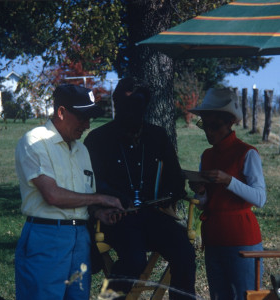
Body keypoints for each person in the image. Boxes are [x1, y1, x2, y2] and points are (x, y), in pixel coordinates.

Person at [84, 78, 196, 300]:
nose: (132, 114)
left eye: (137, 107)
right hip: (117, 218)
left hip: (153, 216)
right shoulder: (97, 139)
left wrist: (168, 196)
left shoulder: (157, 136)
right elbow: (91, 186)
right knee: (134, 260)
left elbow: (175, 179)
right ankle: (110, 298)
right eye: (126, 107)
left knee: (184, 253)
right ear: (117, 105)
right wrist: (113, 201)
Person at [14, 84, 124, 300]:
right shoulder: (35, 142)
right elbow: (52, 195)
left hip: (80, 240)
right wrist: (101, 198)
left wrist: (97, 212)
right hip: (46, 238)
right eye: (83, 116)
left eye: (90, 117)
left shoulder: (81, 150)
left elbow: (83, 197)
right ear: (61, 112)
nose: (87, 124)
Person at [188, 88, 267, 300]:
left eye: (215, 126)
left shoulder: (247, 153)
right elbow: (208, 203)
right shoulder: (207, 155)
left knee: (243, 295)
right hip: (214, 236)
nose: (209, 132)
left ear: (230, 123)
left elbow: (260, 198)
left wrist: (228, 181)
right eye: (205, 125)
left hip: (241, 237)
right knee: (219, 296)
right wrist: (202, 192)